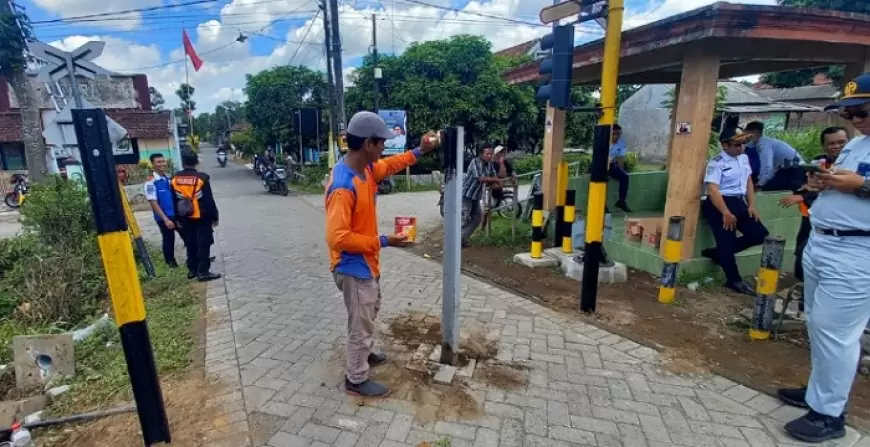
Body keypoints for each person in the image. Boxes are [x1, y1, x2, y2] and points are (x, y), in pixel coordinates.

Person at [777, 73, 870, 443]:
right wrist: (820, 184)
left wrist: (861, 186)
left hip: (857, 251)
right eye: (849, 114)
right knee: (818, 324)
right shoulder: (857, 144)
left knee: (836, 332)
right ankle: (819, 392)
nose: (855, 120)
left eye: (862, 112)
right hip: (823, 242)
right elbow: (842, 185)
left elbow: (859, 187)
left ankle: (829, 416)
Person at [325, 111, 438, 397]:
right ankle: (356, 378)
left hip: (366, 263)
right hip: (352, 266)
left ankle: (364, 353)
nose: (384, 148)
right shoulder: (343, 186)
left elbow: (389, 166)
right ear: (368, 144)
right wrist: (384, 241)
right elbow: (337, 238)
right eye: (382, 143)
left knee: (370, 310)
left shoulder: (365, 169)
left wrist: (419, 151)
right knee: (360, 325)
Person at [700, 127, 770, 295]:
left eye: (744, 143)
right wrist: (725, 212)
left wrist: (751, 205)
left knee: (759, 234)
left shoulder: (743, 158)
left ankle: (718, 253)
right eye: (737, 144)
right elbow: (712, 190)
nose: (742, 147)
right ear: (725, 145)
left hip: (739, 202)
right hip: (719, 203)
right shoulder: (716, 163)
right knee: (726, 241)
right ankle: (734, 280)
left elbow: (748, 181)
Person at [778, 127, 849, 282]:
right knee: (802, 257)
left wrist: (803, 195)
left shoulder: (854, 166)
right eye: (831, 143)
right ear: (824, 146)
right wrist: (804, 189)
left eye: (841, 142)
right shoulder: (817, 163)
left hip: (840, 225)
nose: (836, 146)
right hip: (811, 217)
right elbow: (798, 182)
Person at [170, 150, 221, 282]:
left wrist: (176, 218)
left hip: (184, 216)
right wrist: (214, 216)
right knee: (204, 243)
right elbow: (208, 200)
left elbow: (173, 200)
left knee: (190, 242)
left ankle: (192, 269)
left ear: (183, 162)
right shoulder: (202, 178)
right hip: (202, 216)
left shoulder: (175, 179)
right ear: (196, 162)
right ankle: (203, 271)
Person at [745, 121, 805, 191]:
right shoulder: (764, 142)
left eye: (746, 135)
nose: (746, 139)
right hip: (788, 168)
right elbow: (772, 167)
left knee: (767, 189)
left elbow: (767, 166)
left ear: (754, 133)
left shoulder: (763, 144)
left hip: (794, 169)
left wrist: (760, 184)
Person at [144, 153, 180, 268]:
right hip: (164, 217)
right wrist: (165, 219)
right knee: (169, 239)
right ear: (153, 164)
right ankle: (171, 263)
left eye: (163, 161)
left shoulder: (168, 178)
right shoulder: (151, 183)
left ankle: (198, 257)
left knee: (188, 235)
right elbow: (153, 202)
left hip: (175, 214)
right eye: (158, 162)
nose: (162, 164)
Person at [461, 145, 501, 247]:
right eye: (487, 154)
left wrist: (495, 181)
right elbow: (480, 178)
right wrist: (495, 180)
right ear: (481, 154)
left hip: (476, 196)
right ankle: (455, 241)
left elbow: (494, 175)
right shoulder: (475, 162)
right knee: (464, 219)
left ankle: (462, 239)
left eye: (491, 154)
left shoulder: (489, 164)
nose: (490, 156)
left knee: (477, 218)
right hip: (466, 194)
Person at [608, 124, 632, 212]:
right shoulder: (605, 141)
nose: (617, 136)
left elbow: (620, 159)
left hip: (612, 165)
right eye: (615, 134)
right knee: (602, 180)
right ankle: (603, 206)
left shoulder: (621, 144)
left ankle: (621, 201)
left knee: (625, 177)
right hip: (601, 164)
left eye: (619, 134)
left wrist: (620, 171)